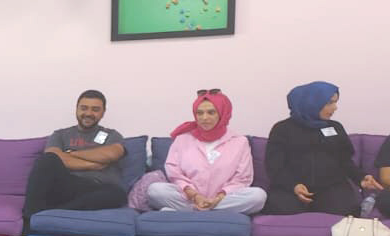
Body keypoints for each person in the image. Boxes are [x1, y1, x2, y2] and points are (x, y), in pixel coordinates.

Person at [262, 81, 374, 216]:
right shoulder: (282, 129)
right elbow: (275, 167)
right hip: (291, 187)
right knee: (281, 209)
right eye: (330, 103)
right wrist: (294, 186)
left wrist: (361, 178)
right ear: (311, 103)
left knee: (346, 211)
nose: (335, 108)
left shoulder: (335, 127)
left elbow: (345, 161)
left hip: (331, 187)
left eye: (335, 102)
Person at [145, 89, 267, 214]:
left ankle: (189, 210)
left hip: (224, 198)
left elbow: (242, 178)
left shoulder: (240, 142)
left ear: (222, 113)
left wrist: (218, 198)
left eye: (211, 112)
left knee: (258, 196)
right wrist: (194, 195)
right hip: (189, 197)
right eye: (200, 113)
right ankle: (208, 210)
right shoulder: (182, 139)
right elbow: (174, 173)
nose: (204, 118)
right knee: (155, 190)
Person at [23, 89, 128, 229]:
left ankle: (53, 212)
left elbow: (111, 154)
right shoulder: (60, 134)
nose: (88, 113)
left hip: (100, 187)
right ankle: (29, 220)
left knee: (117, 195)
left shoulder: (112, 135)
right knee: (46, 160)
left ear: (103, 112)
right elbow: (53, 157)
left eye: (95, 109)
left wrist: (70, 153)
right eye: (84, 108)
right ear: (76, 109)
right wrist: (93, 164)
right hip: (68, 185)